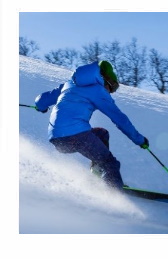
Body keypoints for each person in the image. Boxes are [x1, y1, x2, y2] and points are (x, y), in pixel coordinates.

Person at [35, 60, 149, 189]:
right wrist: (139, 140)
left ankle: (97, 175)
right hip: (77, 136)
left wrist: (41, 107)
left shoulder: (69, 84)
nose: (109, 92)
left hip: (57, 140)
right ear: (105, 80)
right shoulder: (98, 91)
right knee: (109, 163)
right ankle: (114, 193)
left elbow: (42, 100)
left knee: (102, 134)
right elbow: (119, 119)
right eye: (111, 88)